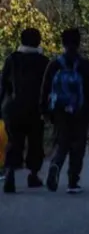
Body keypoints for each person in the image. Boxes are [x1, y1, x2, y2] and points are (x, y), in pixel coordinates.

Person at [41, 28, 89, 194]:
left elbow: (45, 88)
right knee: (78, 145)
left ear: (62, 42)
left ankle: (55, 164)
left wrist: (45, 110)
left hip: (59, 110)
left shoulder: (54, 64)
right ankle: (72, 182)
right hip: (81, 110)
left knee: (62, 142)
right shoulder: (85, 65)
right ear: (78, 42)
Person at [1, 28, 49, 194]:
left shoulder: (12, 59)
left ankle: (10, 173)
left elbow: (3, 85)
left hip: (13, 108)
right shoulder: (44, 61)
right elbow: (48, 88)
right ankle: (33, 175)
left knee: (14, 141)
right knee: (35, 142)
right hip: (36, 109)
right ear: (38, 41)